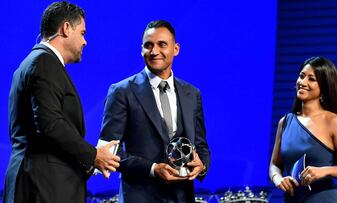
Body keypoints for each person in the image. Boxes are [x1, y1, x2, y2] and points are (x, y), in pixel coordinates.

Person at [3, 2, 120, 203]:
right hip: (43, 187)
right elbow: (50, 125)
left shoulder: (33, 62)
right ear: (66, 28)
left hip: (39, 182)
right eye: (82, 33)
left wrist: (90, 162)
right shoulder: (44, 62)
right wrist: (93, 155)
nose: (85, 41)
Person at [98, 20, 210, 203]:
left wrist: (202, 166)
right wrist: (152, 169)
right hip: (140, 196)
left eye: (162, 44)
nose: (154, 51)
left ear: (176, 49)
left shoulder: (192, 93)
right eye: (148, 45)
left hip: (182, 196)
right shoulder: (121, 91)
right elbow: (111, 152)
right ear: (141, 49)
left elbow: (201, 146)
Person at [269, 56, 337, 202]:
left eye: (311, 79)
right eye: (301, 76)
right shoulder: (285, 122)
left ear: (324, 87)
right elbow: (275, 164)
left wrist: (323, 171)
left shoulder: (334, 122)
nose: (302, 82)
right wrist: (278, 179)